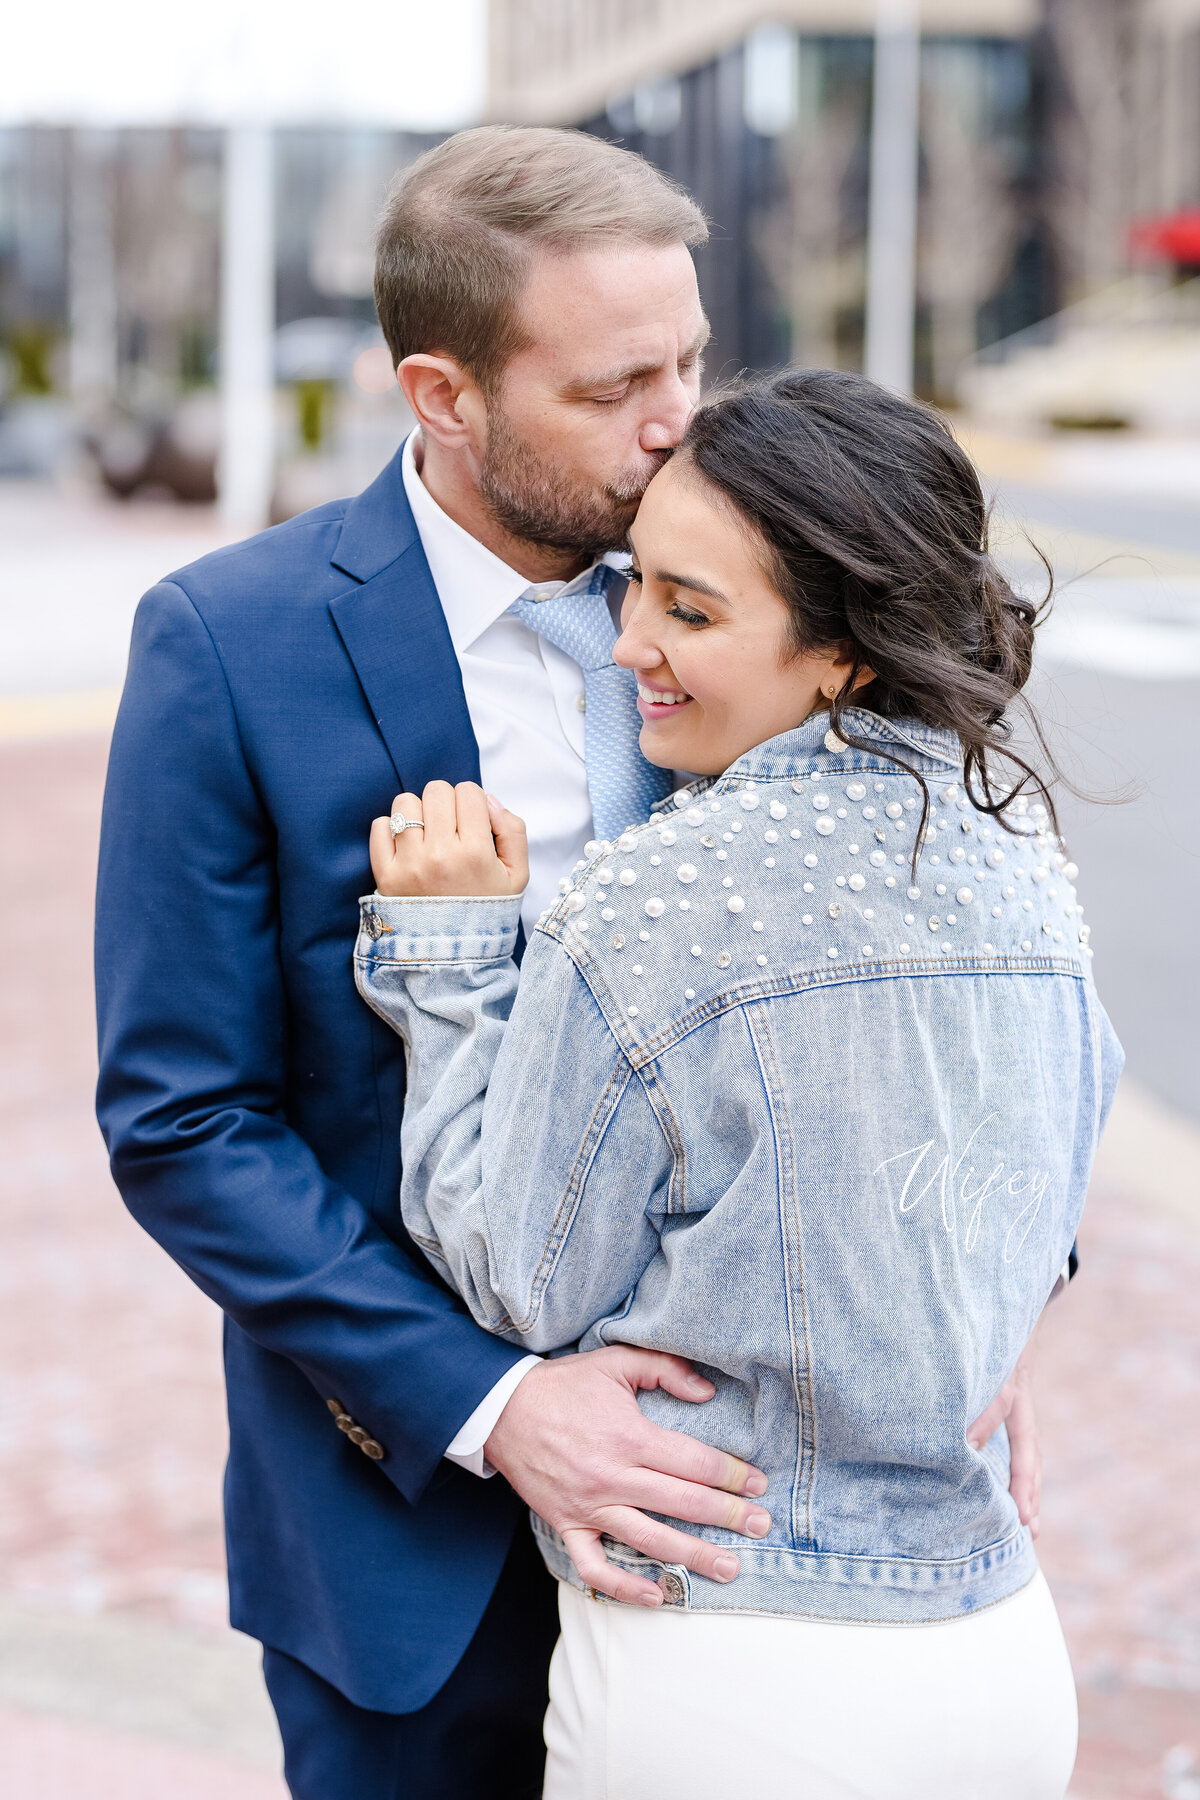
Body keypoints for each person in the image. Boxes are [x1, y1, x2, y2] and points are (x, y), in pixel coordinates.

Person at [93, 128, 774, 1800]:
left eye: (690, 357)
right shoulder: (230, 645)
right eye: (615, 384)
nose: (679, 420)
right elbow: (186, 1118)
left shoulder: (782, 587)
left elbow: (941, 974)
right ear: (442, 394)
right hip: (413, 1536)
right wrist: (490, 1405)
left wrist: (975, 1324)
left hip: (767, 1513)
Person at [355, 368, 1122, 1798]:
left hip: (731, 1659)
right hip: (1002, 1655)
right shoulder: (1026, 870)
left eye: (690, 612)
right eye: (639, 584)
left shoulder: (662, 894)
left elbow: (522, 1280)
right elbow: (1038, 1205)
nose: (627, 640)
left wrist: (457, 964)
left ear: (841, 651)